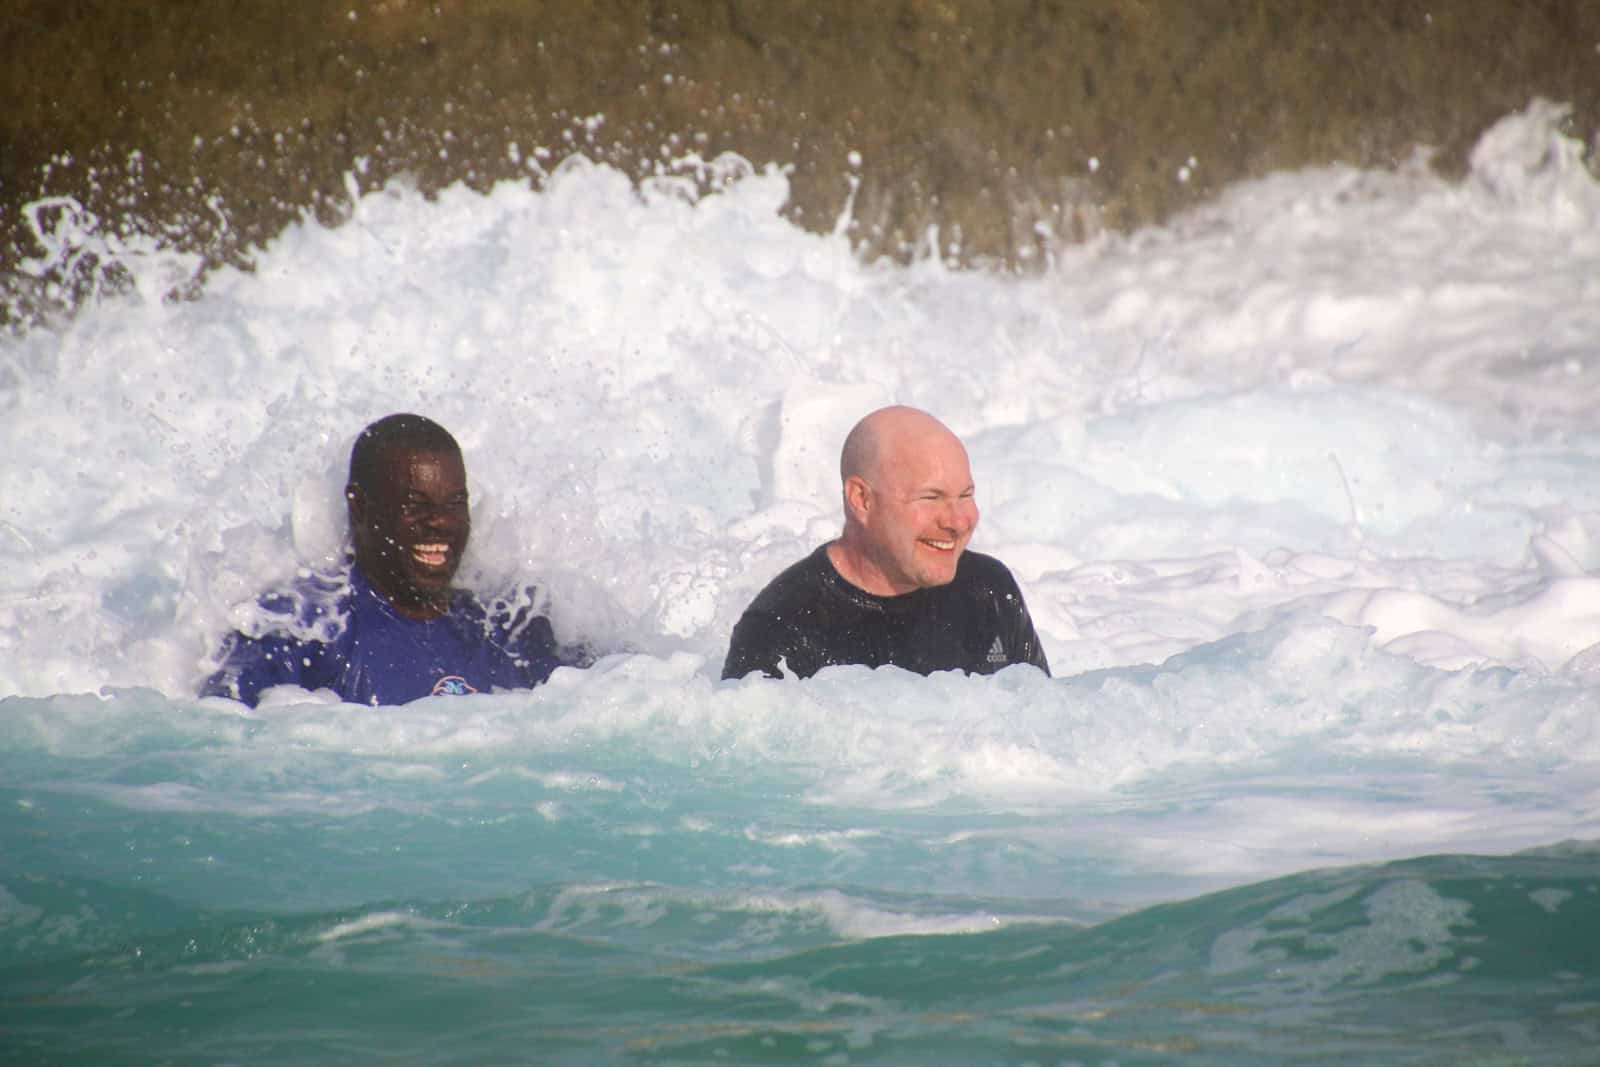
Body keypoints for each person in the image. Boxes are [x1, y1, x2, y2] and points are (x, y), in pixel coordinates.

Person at [202, 413, 584, 707]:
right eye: (415, 506)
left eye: (455, 504)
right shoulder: (299, 630)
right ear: (361, 506)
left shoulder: (505, 628)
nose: (440, 523)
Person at [723, 405, 1050, 680]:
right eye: (931, 497)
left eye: (966, 495)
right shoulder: (783, 629)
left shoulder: (988, 591)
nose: (957, 521)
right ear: (861, 499)